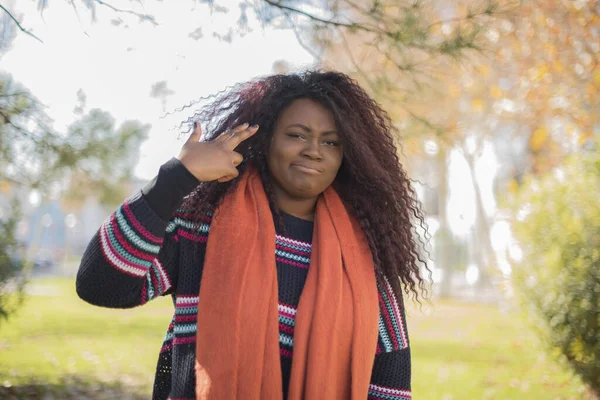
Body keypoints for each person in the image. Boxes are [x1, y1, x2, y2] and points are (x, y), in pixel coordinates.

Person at [76, 70, 429, 400]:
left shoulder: (365, 258)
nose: (313, 150)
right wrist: (176, 177)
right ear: (265, 139)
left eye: (331, 142)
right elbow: (102, 284)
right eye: (297, 135)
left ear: (346, 157)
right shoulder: (201, 227)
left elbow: (390, 380)